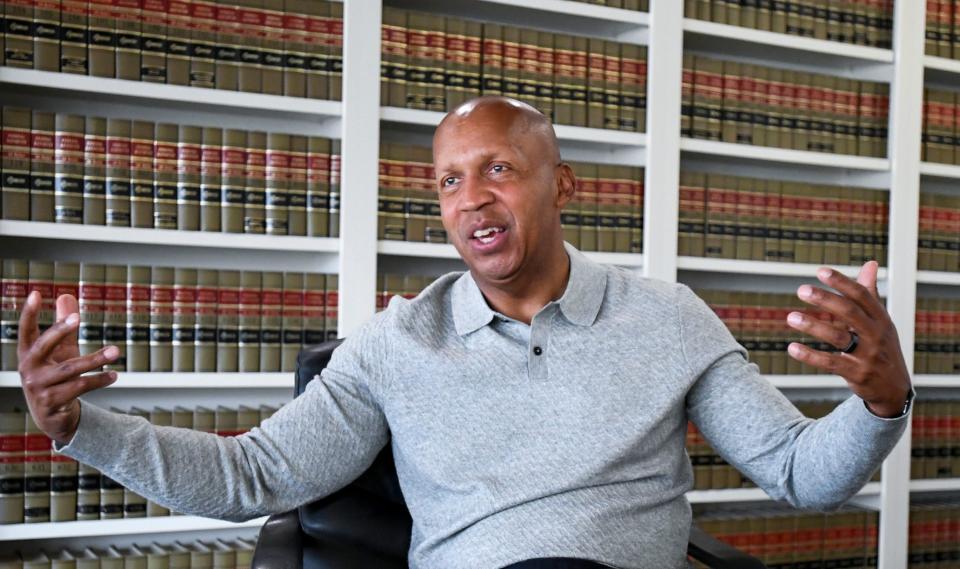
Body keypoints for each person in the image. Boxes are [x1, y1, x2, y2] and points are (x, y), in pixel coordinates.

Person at [17, 96, 913, 569]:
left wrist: (882, 400)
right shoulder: (398, 343)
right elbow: (251, 473)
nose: (472, 197)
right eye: (449, 181)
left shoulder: (668, 318)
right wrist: (79, 429)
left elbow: (802, 474)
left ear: (561, 186)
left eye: (497, 169)